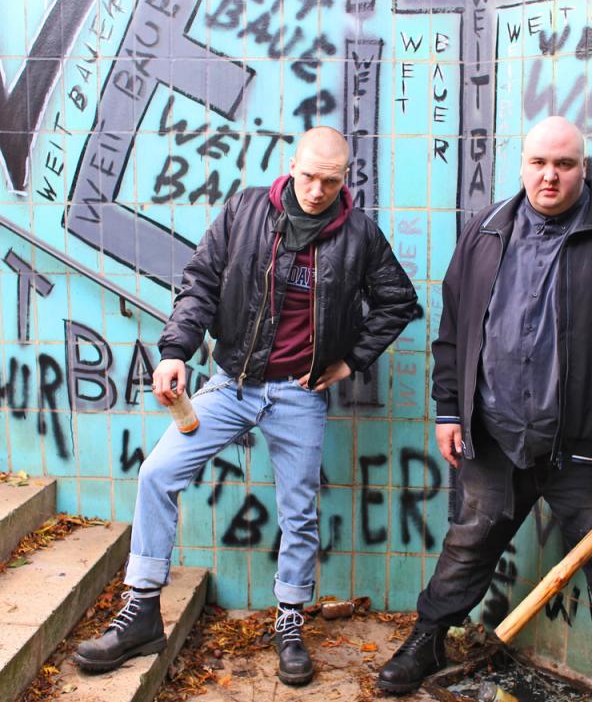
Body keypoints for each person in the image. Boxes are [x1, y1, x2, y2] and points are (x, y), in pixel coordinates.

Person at [75, 127, 420, 685]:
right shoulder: (246, 209)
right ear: (291, 165)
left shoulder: (358, 234)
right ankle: (140, 612)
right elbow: (202, 283)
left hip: (299, 395)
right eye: (308, 175)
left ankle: (289, 622)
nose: (316, 189)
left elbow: (398, 301)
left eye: (330, 181)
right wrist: (174, 353)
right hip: (230, 384)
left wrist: (350, 362)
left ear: (345, 179)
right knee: (158, 473)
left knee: (299, 511)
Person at [377, 117, 592, 702]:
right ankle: (427, 639)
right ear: (522, 164)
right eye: (538, 163)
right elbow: (455, 332)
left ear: (583, 168)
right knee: (467, 545)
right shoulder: (485, 233)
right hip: (498, 440)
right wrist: (450, 409)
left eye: (564, 164)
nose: (549, 176)